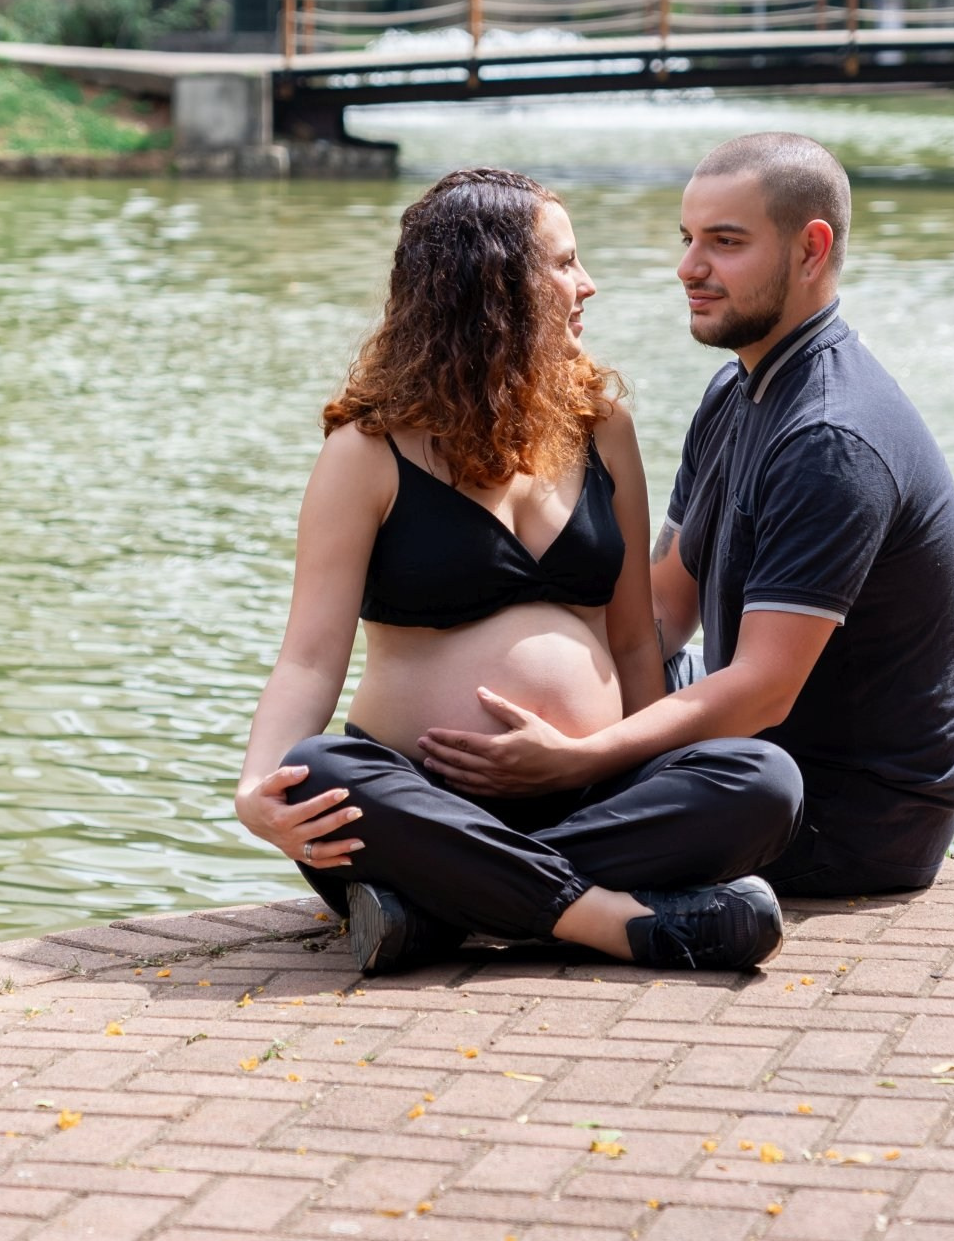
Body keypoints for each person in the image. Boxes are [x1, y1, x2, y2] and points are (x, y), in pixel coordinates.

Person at [233, 167, 803, 975]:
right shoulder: (367, 451)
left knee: (765, 779)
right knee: (320, 774)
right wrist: (257, 784)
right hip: (420, 802)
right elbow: (309, 656)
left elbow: (636, 640)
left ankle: (440, 907)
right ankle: (606, 917)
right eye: (564, 263)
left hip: (588, 796)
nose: (588, 284)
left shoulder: (602, 427)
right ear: (492, 284)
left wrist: (629, 771)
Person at [418, 132, 954, 898]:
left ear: (811, 249)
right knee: (569, 677)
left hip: (843, 814)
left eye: (725, 242)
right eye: (688, 239)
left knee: (740, 777)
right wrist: (541, 688)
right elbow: (668, 604)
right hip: (755, 739)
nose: (689, 268)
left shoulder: (830, 438)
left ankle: (443, 880)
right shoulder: (735, 390)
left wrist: (586, 755)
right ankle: (472, 847)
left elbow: (762, 690)